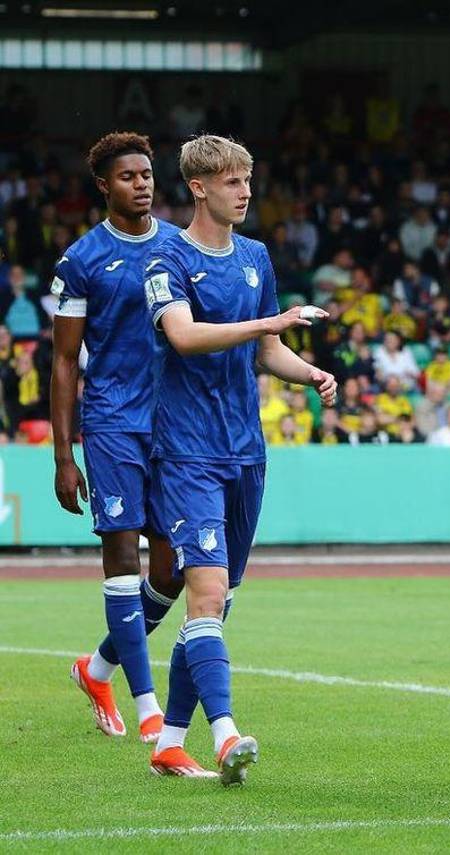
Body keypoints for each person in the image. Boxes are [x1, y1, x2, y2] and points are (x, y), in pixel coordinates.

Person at [143, 135, 337, 785]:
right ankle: (226, 735)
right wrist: (268, 326)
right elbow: (184, 335)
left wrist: (308, 371)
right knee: (207, 591)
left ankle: (170, 740)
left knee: (214, 605)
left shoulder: (254, 256)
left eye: (248, 179)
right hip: (186, 449)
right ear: (199, 187)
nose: (245, 191)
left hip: (245, 451)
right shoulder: (164, 254)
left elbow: (266, 351)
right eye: (232, 181)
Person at [49, 132, 186, 757]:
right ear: (105, 185)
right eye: (129, 176)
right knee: (122, 562)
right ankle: (150, 710)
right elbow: (62, 361)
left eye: (148, 174)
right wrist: (63, 455)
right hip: (111, 425)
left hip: (177, 426)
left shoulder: (182, 248)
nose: (143, 183)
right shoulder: (81, 261)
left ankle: (97, 668)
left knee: (175, 570)